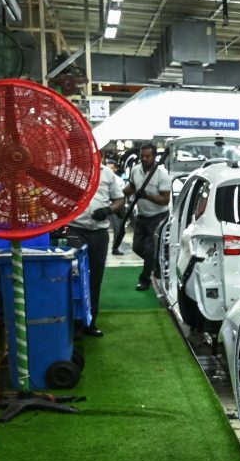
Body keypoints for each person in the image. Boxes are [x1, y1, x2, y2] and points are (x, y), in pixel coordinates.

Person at [64, 159, 126, 335]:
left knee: (95, 278)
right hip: (75, 230)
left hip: (99, 233)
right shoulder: (66, 171)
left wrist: (108, 210)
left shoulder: (106, 172)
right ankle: (75, 323)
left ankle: (90, 322)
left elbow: (119, 199)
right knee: (75, 276)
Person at [123, 142, 172, 291]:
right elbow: (132, 187)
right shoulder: (136, 170)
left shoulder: (162, 174)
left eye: (148, 156)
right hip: (142, 216)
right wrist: (117, 195)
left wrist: (146, 196)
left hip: (158, 217)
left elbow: (165, 200)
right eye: (142, 156)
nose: (144, 159)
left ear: (154, 156)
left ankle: (144, 280)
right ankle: (157, 264)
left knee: (150, 250)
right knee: (137, 247)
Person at [105, 158, 127, 255]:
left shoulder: (119, 180)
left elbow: (121, 196)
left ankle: (115, 248)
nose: (109, 170)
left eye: (111, 168)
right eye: (107, 168)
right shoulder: (101, 178)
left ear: (115, 169)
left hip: (116, 208)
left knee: (119, 230)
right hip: (104, 207)